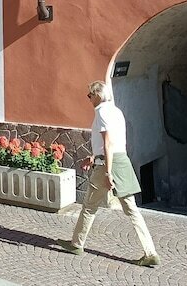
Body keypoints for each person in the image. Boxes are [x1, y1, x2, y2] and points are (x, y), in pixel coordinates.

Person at [55, 80, 160, 268]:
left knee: (89, 206)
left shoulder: (102, 112)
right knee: (132, 210)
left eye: (89, 95)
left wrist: (107, 172)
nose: (88, 99)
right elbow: (114, 144)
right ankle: (150, 252)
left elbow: (108, 143)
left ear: (97, 95)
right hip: (121, 161)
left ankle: (76, 244)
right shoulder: (116, 111)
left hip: (108, 165)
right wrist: (94, 157)